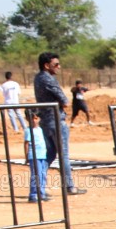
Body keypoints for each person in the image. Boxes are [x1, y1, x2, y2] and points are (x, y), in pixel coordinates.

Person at [33, 52, 85, 196]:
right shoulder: (48, 79)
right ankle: (69, 186)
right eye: (56, 64)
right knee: (63, 155)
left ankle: (38, 184)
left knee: (49, 154)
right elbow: (65, 102)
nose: (58, 67)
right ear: (46, 65)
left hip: (45, 120)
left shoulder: (37, 78)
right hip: (56, 120)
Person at [24, 113, 49, 203]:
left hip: (42, 155)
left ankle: (41, 194)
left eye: (36, 118)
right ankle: (33, 195)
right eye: (32, 118)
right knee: (36, 175)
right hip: (34, 156)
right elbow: (26, 143)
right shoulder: (28, 130)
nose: (34, 120)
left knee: (42, 175)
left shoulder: (40, 129)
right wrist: (26, 156)